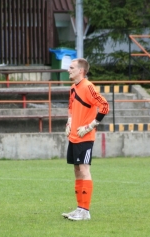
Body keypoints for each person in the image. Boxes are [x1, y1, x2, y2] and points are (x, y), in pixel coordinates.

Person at [62, 58, 109, 221]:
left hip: (85, 137)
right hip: (73, 137)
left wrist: (90, 126)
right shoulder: (73, 88)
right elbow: (70, 108)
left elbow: (105, 106)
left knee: (84, 169)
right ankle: (79, 209)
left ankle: (85, 211)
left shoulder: (88, 87)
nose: (68, 70)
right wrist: (69, 122)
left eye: (71, 67)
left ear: (81, 71)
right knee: (76, 170)